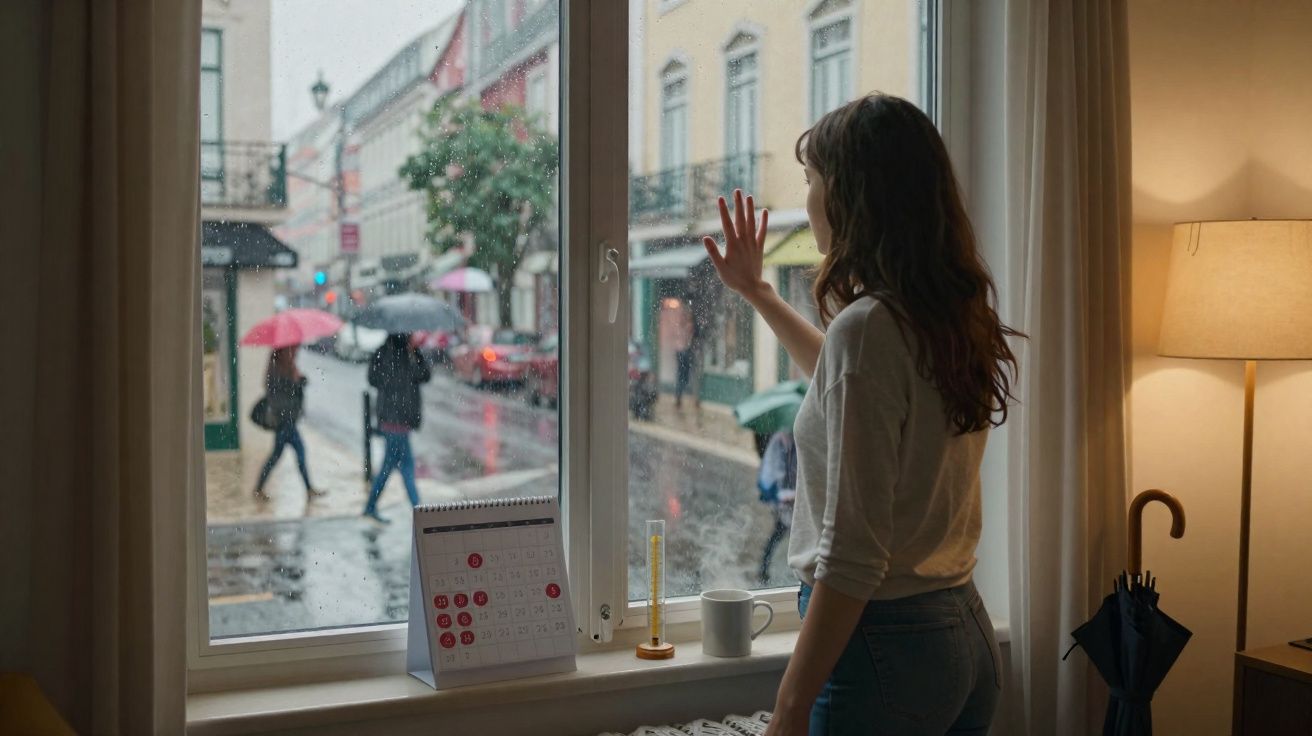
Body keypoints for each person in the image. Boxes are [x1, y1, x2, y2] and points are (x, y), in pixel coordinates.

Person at [702, 93, 1021, 735]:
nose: (807, 199)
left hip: (886, 649)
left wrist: (790, 707)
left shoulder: (870, 328)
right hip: (963, 633)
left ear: (851, 195)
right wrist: (759, 292)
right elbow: (843, 378)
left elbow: (852, 554)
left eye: (811, 180)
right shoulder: (942, 314)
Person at [362, 332, 432, 524]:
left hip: (390, 419)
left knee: (395, 466)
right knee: (403, 467)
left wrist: (414, 353)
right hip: (399, 422)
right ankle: (419, 513)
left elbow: (372, 378)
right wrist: (415, 353)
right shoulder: (405, 356)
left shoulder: (382, 352)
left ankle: (372, 507)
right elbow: (424, 375)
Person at [253, 346, 322, 501]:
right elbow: (281, 395)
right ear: (282, 352)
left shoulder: (288, 367)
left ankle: (259, 488)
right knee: (298, 452)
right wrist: (296, 383)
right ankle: (308, 489)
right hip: (284, 421)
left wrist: (300, 380)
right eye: (291, 350)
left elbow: (294, 391)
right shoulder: (276, 371)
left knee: (277, 455)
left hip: (288, 420)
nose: (294, 352)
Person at [756, 430, 798, 586]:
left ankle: (765, 568)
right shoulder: (781, 440)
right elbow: (774, 470)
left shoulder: (789, 440)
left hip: (790, 498)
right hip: (784, 498)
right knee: (779, 533)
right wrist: (783, 494)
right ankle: (763, 569)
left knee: (782, 534)